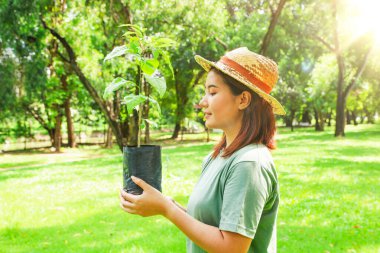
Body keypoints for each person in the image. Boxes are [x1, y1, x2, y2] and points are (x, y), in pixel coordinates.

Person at [119, 47, 286, 253]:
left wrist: (167, 209)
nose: (202, 102)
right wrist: (163, 203)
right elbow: (211, 222)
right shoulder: (218, 156)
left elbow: (231, 248)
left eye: (213, 92)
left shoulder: (249, 163)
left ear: (243, 100)